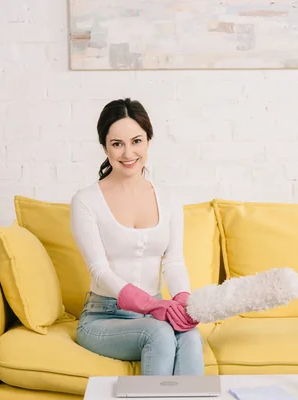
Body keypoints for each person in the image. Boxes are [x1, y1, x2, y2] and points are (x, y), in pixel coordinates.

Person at [69, 98, 204, 376]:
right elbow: (98, 269)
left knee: (190, 336)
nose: (128, 152)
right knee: (159, 334)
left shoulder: (168, 198)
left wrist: (181, 303)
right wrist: (153, 305)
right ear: (105, 147)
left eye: (136, 141)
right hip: (104, 317)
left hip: (153, 314)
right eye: (117, 143)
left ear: (149, 142)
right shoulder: (85, 200)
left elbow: (174, 261)